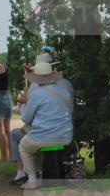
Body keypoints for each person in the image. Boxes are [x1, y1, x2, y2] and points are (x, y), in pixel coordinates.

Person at [9, 58, 74, 189]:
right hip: (66, 136)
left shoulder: (37, 93)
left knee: (24, 146)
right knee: (35, 143)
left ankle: (32, 179)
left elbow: (26, 119)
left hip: (45, 136)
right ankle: (43, 174)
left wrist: (21, 106)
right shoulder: (63, 91)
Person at [0, 48, 12, 164]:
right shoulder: (3, 65)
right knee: (7, 129)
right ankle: (12, 155)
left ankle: (4, 157)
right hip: (7, 97)